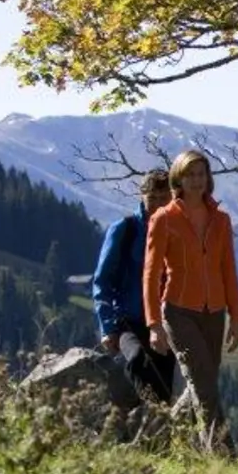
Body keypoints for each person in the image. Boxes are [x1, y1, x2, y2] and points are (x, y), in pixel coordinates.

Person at [143, 149, 238, 455]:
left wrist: (237, 318)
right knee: (206, 388)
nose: (197, 180)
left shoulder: (222, 219)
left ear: (208, 178)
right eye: (190, 174)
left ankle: (162, 437)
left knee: (200, 384)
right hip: (178, 311)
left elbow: (228, 268)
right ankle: (223, 455)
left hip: (214, 313)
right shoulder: (164, 218)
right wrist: (153, 324)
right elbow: (150, 274)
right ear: (179, 178)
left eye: (201, 174)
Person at [90, 169, 178, 405]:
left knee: (163, 380)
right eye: (153, 199)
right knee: (138, 359)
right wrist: (108, 327)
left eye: (164, 199)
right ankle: (153, 413)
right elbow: (102, 280)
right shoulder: (125, 230)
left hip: (166, 322)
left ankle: (158, 431)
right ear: (142, 196)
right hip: (129, 320)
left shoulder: (177, 232)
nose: (159, 205)